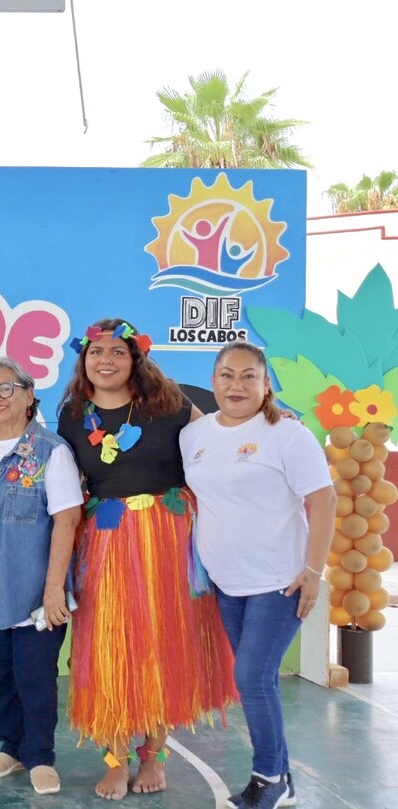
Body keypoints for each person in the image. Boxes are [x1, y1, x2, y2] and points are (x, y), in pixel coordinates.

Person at [56, 318, 237, 800]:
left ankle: (154, 755)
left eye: (118, 351)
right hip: (105, 541)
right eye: (96, 352)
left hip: (168, 540)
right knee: (109, 649)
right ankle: (115, 760)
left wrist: (271, 422)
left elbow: (219, 441)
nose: (106, 360)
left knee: (162, 644)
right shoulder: (72, 414)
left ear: (135, 358)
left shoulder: (170, 403)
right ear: (84, 360)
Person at [180, 343, 333, 809]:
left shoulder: (287, 434)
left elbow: (323, 500)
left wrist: (313, 571)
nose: (237, 385)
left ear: (266, 385)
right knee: (258, 678)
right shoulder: (194, 434)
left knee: (251, 676)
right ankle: (281, 778)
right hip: (227, 584)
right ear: (213, 381)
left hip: (280, 581)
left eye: (249, 376)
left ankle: (268, 779)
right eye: (227, 375)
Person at [0, 357, 83, 796]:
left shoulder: (50, 451)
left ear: (28, 395)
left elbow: (67, 520)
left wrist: (53, 589)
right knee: (0, 676)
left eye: (6, 389)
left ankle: (40, 755)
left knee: (34, 677)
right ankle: (12, 747)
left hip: (33, 591)